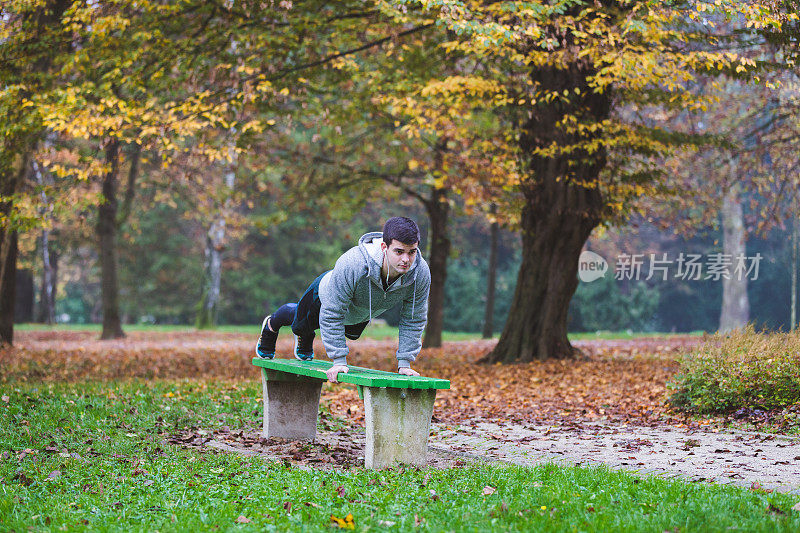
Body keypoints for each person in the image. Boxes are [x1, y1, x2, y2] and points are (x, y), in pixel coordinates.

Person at [255, 216, 431, 382]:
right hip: (324, 297)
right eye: (399, 252)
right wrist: (339, 361)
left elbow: (413, 319)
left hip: (358, 311)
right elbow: (332, 312)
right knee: (299, 324)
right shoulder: (354, 263)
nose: (406, 259)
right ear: (384, 247)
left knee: (346, 334)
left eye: (412, 252)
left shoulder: (420, 273)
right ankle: (273, 324)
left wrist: (405, 364)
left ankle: (306, 332)